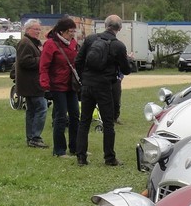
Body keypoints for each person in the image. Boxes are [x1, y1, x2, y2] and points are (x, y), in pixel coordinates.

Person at [74, 14, 131, 166]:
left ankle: (81, 157)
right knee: (108, 122)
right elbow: (126, 70)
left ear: (105, 25)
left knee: (84, 121)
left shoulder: (91, 39)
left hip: (87, 85)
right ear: (119, 28)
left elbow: (78, 61)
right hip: (105, 86)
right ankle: (109, 158)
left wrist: (83, 78)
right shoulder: (118, 45)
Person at [40, 17, 80, 158]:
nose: (73, 34)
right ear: (61, 31)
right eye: (70, 31)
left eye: (74, 31)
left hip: (71, 85)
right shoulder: (50, 45)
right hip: (57, 86)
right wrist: (45, 86)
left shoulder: (73, 43)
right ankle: (59, 150)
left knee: (75, 115)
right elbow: (43, 66)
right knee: (61, 117)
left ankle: (75, 148)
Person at [16, 19, 48, 149]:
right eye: (36, 29)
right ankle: (35, 137)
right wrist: (43, 59)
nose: (38, 32)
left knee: (32, 111)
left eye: (39, 29)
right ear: (28, 29)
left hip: (31, 83)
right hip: (31, 84)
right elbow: (25, 62)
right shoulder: (25, 43)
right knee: (42, 108)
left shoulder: (33, 43)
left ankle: (31, 138)